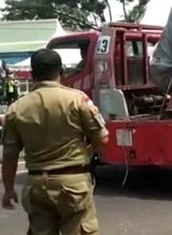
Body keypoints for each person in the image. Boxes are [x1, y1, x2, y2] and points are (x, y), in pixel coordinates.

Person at [1, 48, 109, 234]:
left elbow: (9, 157)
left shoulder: (16, 109)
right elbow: (102, 137)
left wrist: (9, 190)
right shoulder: (77, 100)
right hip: (73, 184)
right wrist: (87, 152)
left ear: (33, 74)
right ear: (61, 72)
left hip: (36, 185)